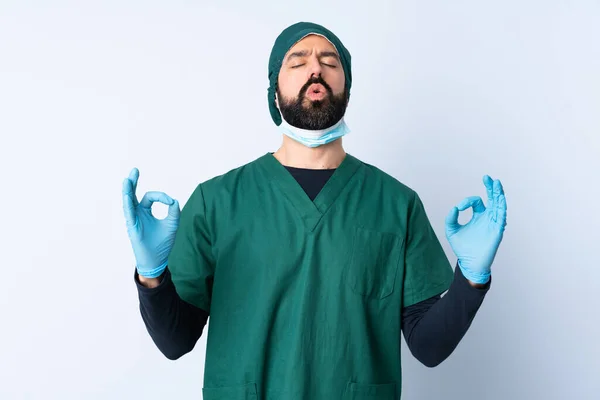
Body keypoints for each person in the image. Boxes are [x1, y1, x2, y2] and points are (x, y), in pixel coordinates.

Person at [122, 21, 507, 400]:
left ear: (347, 88)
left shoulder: (395, 204)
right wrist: (152, 277)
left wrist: (470, 279)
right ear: (274, 92)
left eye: (329, 60)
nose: (315, 68)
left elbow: (429, 347)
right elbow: (175, 342)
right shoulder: (217, 202)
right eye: (298, 61)